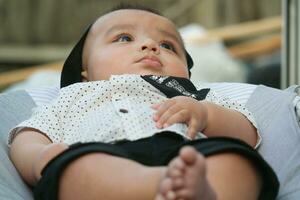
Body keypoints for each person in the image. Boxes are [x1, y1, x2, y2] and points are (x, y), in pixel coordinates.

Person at [8, 4, 278, 200]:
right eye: (124, 38)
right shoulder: (73, 95)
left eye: (168, 46)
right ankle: (163, 186)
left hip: (188, 155)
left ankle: (204, 192)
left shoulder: (195, 95)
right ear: (85, 71)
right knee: (76, 170)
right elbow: (30, 134)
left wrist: (206, 115)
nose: (150, 45)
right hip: (105, 155)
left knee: (238, 162)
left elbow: (249, 134)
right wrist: (39, 158)